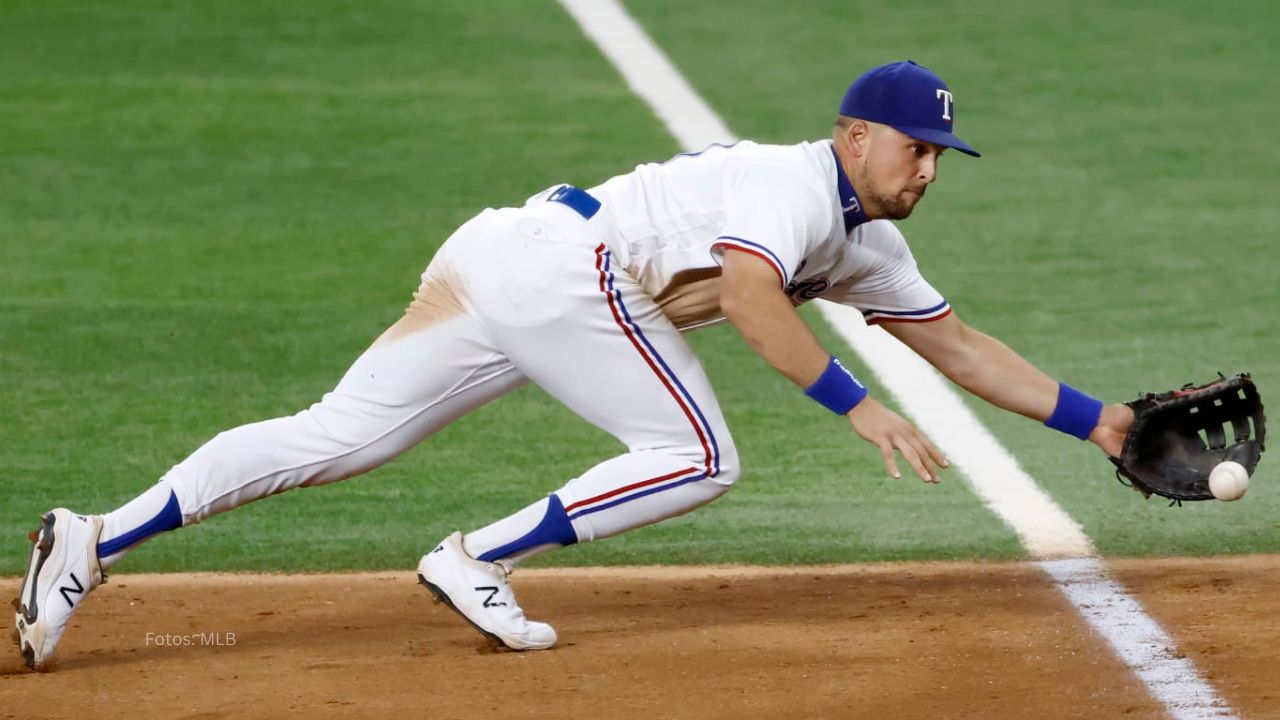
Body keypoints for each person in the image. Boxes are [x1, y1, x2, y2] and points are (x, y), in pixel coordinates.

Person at [14, 60, 1134, 668]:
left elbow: (958, 345)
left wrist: (1104, 426)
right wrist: (852, 407)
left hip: (514, 254)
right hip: (563, 268)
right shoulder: (789, 186)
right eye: (913, 148)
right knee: (696, 454)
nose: (927, 169)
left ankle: (92, 538)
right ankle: (476, 558)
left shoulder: (869, 243)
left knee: (337, 436)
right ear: (852, 136)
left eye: (940, 156)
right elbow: (747, 294)